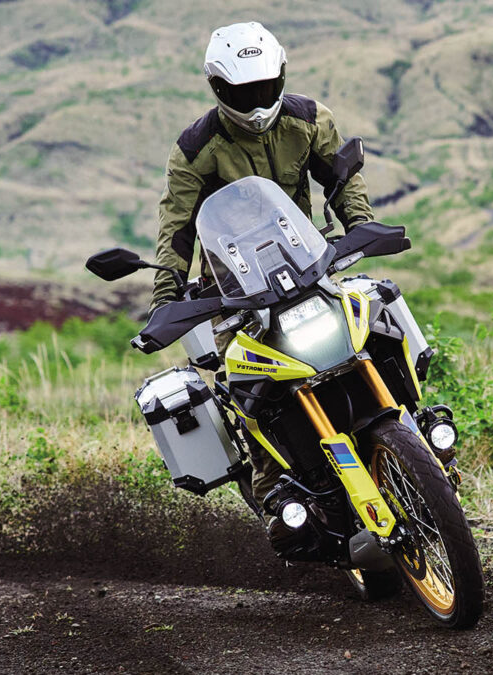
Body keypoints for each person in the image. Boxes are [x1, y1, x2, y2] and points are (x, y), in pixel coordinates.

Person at [150, 21, 374, 520]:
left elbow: (342, 176)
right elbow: (178, 227)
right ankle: (277, 499)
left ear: (281, 74)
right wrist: (166, 300)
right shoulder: (195, 148)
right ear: (217, 88)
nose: (255, 101)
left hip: (306, 263)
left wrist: (360, 226)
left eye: (264, 87)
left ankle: (413, 432)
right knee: (250, 388)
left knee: (373, 319)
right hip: (233, 288)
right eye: (241, 91)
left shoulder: (310, 119)